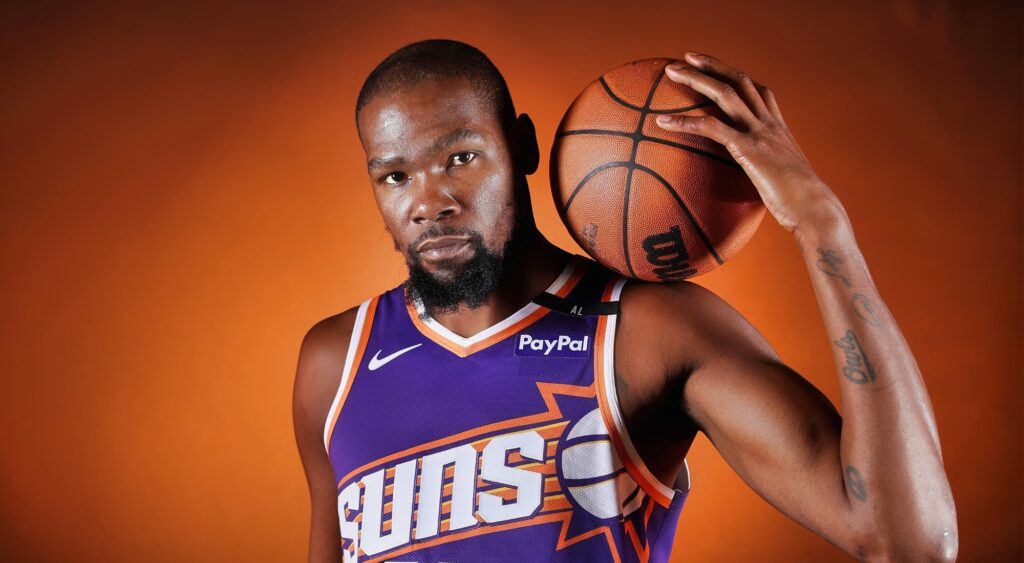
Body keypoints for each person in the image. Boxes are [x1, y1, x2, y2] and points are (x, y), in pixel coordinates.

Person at [292, 39, 957, 563]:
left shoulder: (646, 330)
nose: (428, 202)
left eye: (461, 158)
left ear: (521, 145)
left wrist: (821, 222)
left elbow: (911, 540)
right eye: (396, 176)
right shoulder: (335, 363)